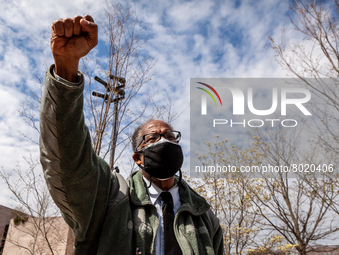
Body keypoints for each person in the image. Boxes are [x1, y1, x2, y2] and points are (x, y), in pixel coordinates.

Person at [40, 14, 223, 255]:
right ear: (138, 157)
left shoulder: (204, 215)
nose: (164, 140)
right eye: (153, 138)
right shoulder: (110, 197)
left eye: (170, 136)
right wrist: (66, 68)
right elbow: (68, 161)